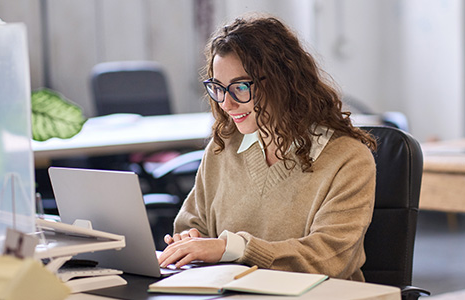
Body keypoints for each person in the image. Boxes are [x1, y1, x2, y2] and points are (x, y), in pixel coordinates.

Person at [157, 13, 377, 281]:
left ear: (282, 81)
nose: (226, 104)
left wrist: (231, 248)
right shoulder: (222, 149)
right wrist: (191, 240)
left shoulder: (348, 159)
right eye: (218, 88)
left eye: (239, 87)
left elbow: (328, 259)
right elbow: (192, 224)